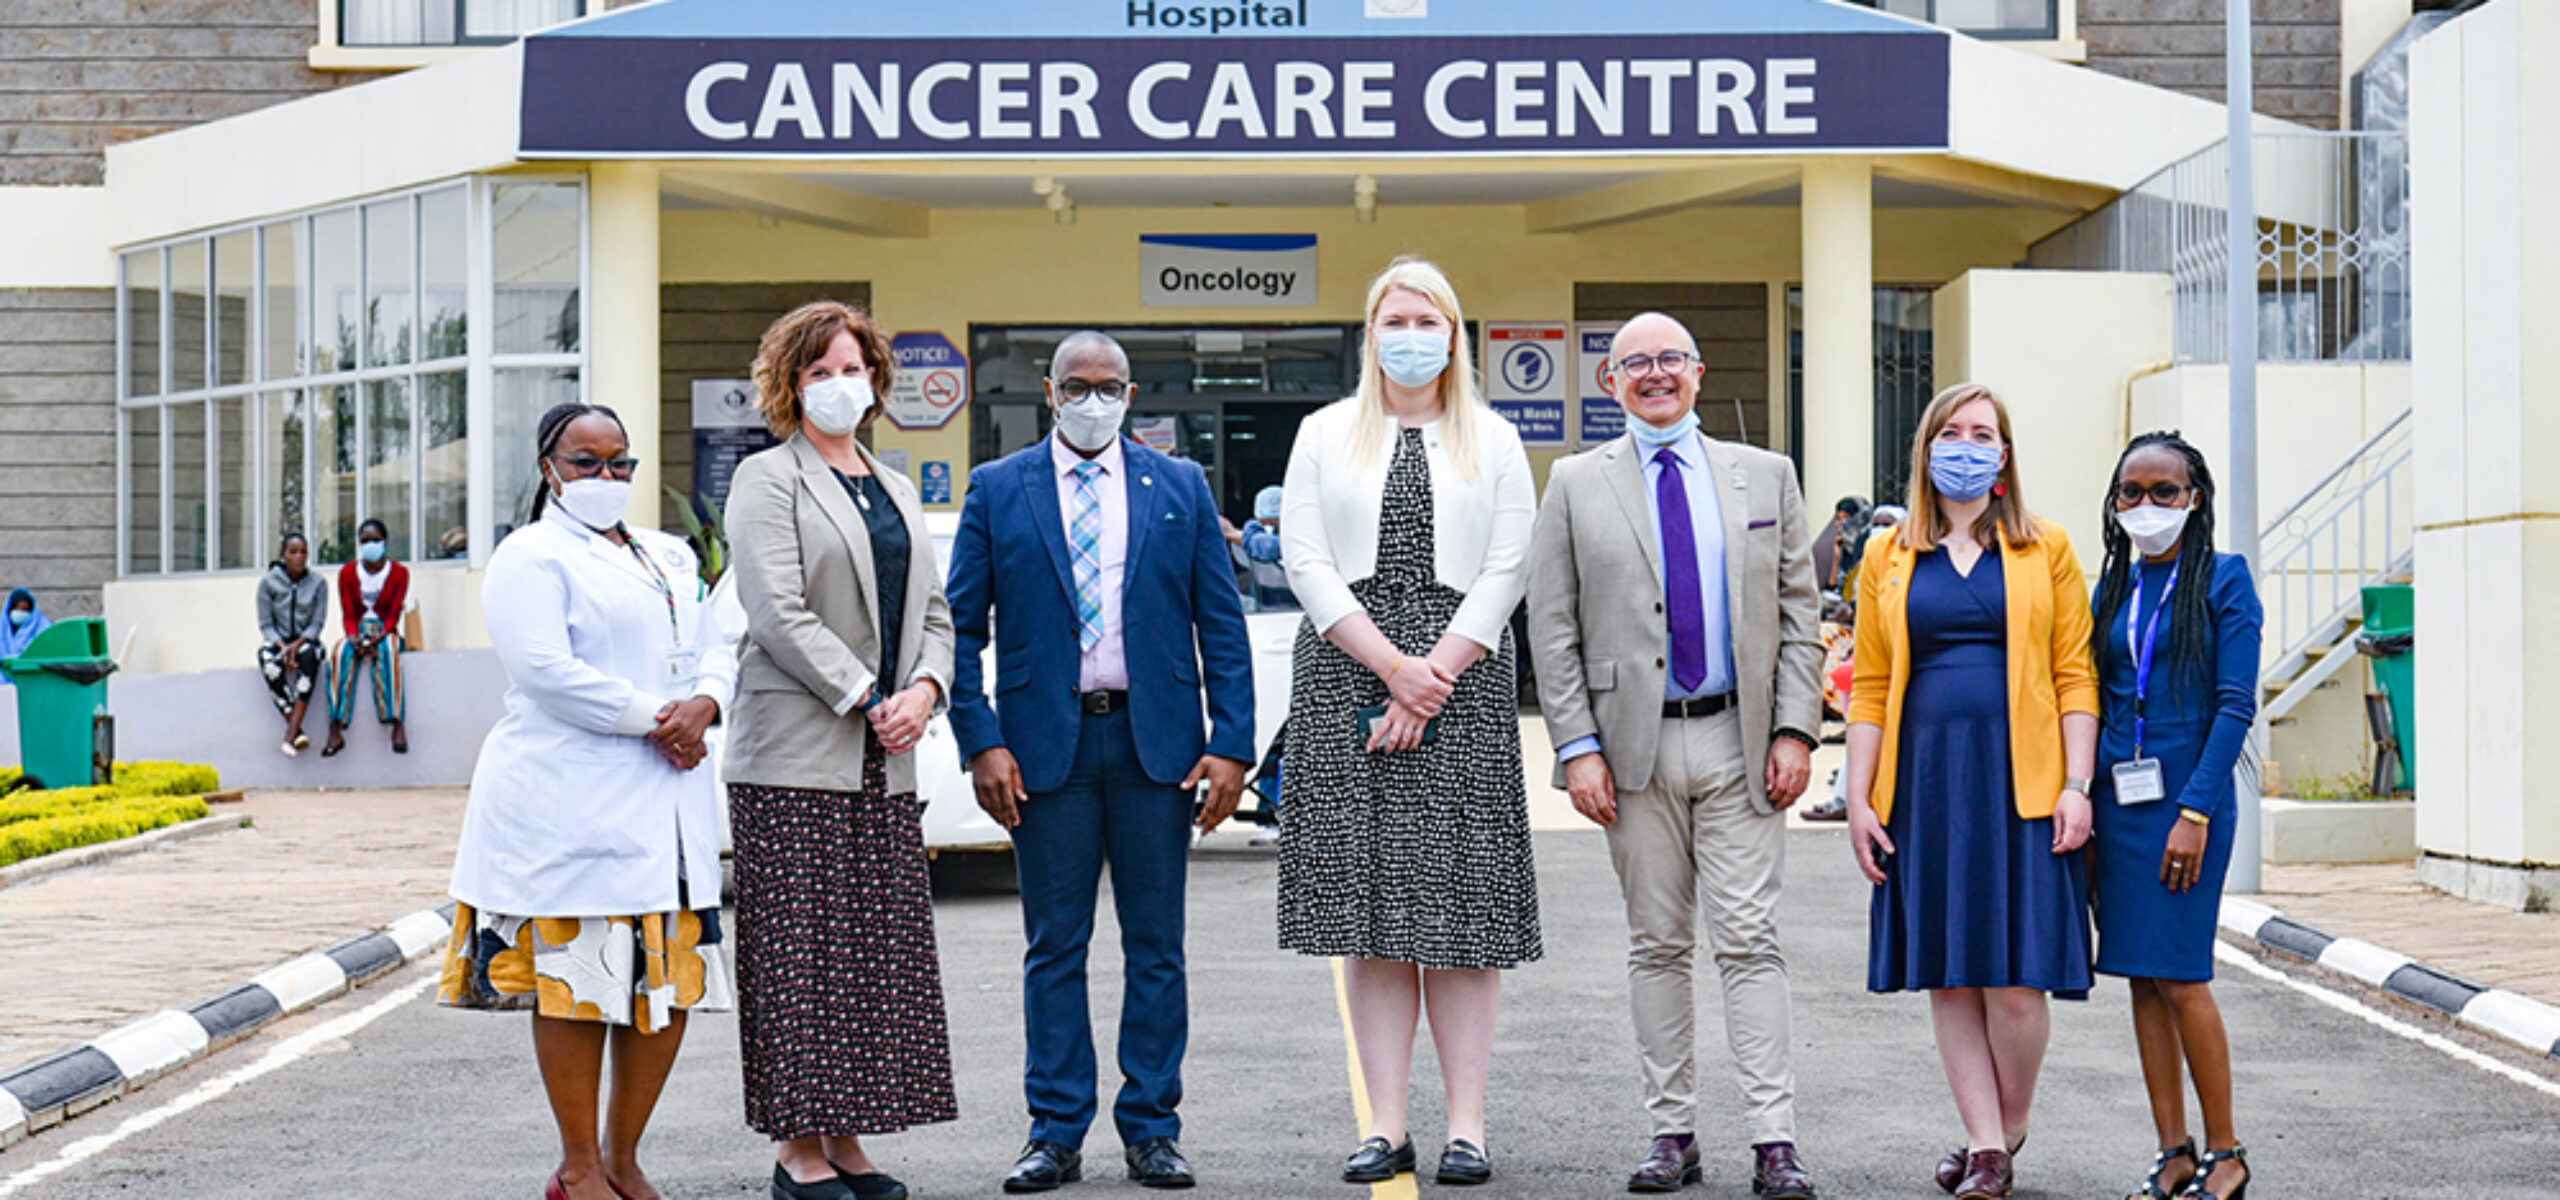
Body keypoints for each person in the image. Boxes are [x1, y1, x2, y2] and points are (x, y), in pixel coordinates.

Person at [947, 330, 1255, 1193]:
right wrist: (983, 739)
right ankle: (1054, 1131)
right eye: (1077, 387)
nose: (1093, 400)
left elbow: (1221, 626)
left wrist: (1231, 743)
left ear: (1131, 392)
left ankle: (1153, 1128)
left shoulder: (1180, 487)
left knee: (1157, 947)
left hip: (1155, 745)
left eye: (1109, 386)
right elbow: (961, 631)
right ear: (1050, 393)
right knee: (1055, 947)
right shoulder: (999, 490)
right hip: (1047, 752)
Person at [1524, 312, 1823, 1199]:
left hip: (1742, 741)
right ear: (1611, 383)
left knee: (1750, 941)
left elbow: (1803, 614)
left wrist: (1796, 730)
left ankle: (1775, 1140)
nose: (1655, 375)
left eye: (1670, 361)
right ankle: (1672, 1133)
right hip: (1628, 753)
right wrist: (1577, 746)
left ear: (1695, 374)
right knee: (1657, 945)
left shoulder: (1766, 474)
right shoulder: (1575, 483)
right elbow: (1551, 624)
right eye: (1634, 364)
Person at [1276, 257, 1539, 1189]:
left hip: (1462, 678)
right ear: (1370, 332)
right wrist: (1394, 670)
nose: (1412, 334)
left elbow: (1510, 564)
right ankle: (1386, 1124)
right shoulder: (1322, 432)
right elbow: (1302, 558)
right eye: (1396, 319)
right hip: (1350, 668)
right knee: (1374, 915)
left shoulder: (1496, 440)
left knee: (1463, 916)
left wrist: (1437, 675)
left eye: (1429, 319)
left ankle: (1467, 1125)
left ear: (1455, 335)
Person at [440, 403, 736, 1200]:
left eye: (619, 463)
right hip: (575, 801)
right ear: (549, 469)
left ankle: (623, 1156)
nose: (606, 478)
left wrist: (703, 703)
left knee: (665, 990)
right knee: (579, 986)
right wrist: (662, 719)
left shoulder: (670, 554)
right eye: (585, 462)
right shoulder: (528, 557)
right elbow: (546, 671)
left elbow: (716, 645)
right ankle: (577, 1167)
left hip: (670, 803)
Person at [723, 300, 960, 1200]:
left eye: (850, 369)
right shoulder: (766, 479)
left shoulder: (893, 487)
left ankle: (849, 1137)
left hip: (884, 754)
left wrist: (925, 692)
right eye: (817, 372)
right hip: (796, 752)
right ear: (789, 386)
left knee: (869, 956)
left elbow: (933, 612)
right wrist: (867, 697)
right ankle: (797, 1148)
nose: (837, 385)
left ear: (876, 381)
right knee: (798, 954)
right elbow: (776, 610)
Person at [1841, 383, 2097, 1200]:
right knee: (1951, 974)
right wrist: (1858, 797)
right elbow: (1871, 685)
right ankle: (1985, 1147)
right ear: (1925, 450)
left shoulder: (2045, 547)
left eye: (1981, 433)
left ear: (2005, 454)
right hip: (1923, 782)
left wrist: (2078, 785)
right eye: (1950, 432)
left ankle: (2008, 1126)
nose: (1965, 445)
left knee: (2017, 985)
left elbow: (2074, 674)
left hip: (2023, 782)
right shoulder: (1888, 555)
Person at [2089, 432, 2261, 1200]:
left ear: (2195, 499)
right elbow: (2097, 700)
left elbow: (2234, 707)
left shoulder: (2226, 582)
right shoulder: (2112, 589)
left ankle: (2227, 1153)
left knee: (2183, 977)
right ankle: (2174, 1152)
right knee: (2140, 979)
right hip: (2118, 807)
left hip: (2189, 802)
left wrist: (2194, 808)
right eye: (2133, 492)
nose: (2147, 505)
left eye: (2165, 491)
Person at [322, 518, 410, 756]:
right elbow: (348, 614)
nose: (371, 545)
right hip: (358, 629)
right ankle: (336, 725)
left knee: (390, 653)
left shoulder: (400, 573)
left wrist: (379, 637)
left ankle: (396, 721)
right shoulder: (348, 573)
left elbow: (394, 614)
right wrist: (353, 637)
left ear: (385, 542)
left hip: (385, 630)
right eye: (366, 541)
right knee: (339, 654)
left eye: (376, 540)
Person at [255, 532, 329, 757]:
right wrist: (282, 646)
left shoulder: (318, 583)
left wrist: (297, 645)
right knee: (267, 661)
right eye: (293, 552)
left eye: (303, 552)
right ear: (283, 555)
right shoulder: (268, 584)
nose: (299, 557)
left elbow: (317, 623)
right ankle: (296, 729)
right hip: (278, 642)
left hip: (306, 641)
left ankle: (290, 734)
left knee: (311, 656)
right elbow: (266, 624)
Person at [1224, 485, 1295, 610]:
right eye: (1264, 523)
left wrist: (1239, 532)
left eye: (1274, 523)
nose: (1269, 529)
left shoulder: (1298, 543)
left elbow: (1268, 546)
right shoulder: (1246, 552)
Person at [1, 588, 52, 684]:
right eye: (16, 609)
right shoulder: (2, 629)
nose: (20, 613)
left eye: (24, 610)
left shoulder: (43, 629)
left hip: (33, 682)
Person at [1815, 496, 1866, 593]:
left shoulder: (1869, 545)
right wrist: (1837, 557)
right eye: (1838, 518)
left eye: (1847, 517)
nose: (1841, 523)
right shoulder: (1843, 546)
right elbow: (1833, 584)